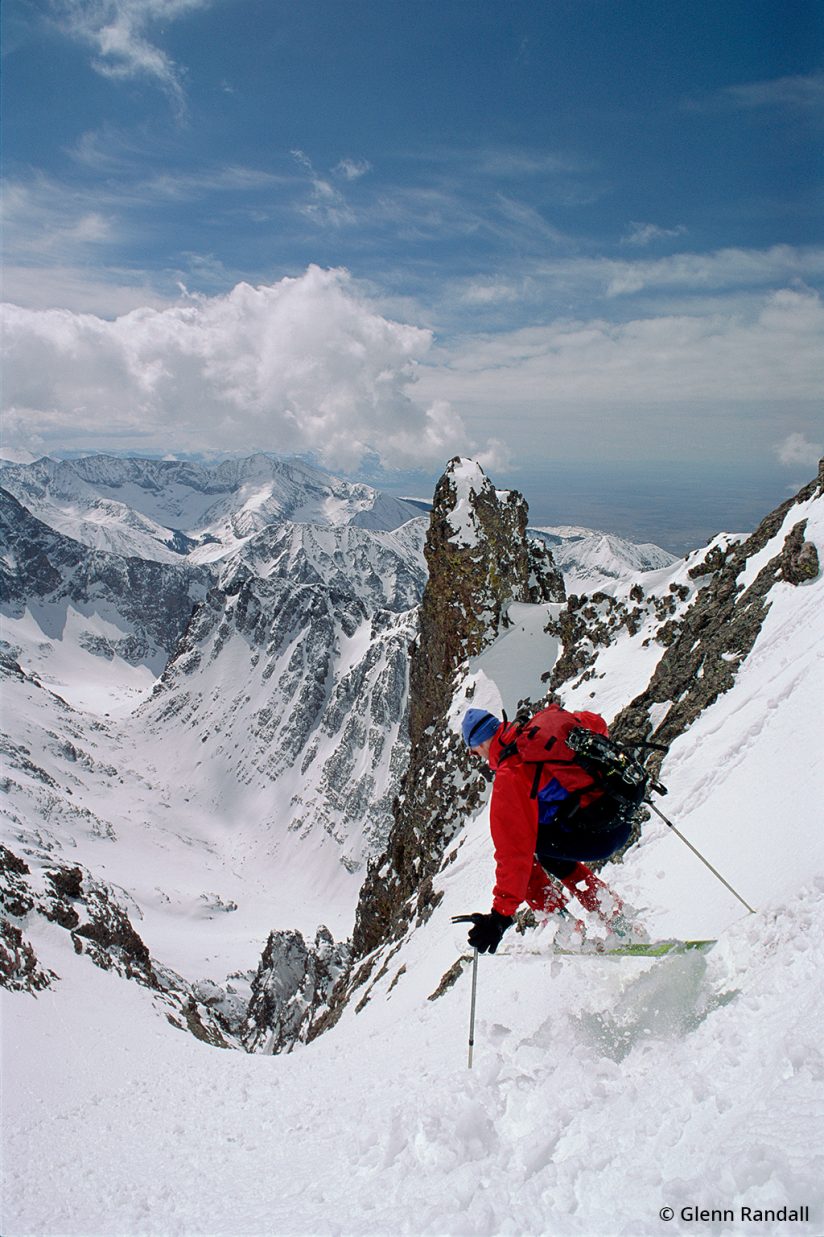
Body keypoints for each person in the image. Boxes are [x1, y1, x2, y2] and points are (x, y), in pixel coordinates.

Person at [456, 705, 636, 954]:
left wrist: (500, 917)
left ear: (481, 745)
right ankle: (616, 920)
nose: (479, 758)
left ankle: (565, 929)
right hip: (622, 812)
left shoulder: (511, 774)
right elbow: (597, 724)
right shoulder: (541, 732)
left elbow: (513, 854)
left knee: (529, 848)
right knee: (547, 848)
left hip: (600, 836)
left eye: (474, 753)